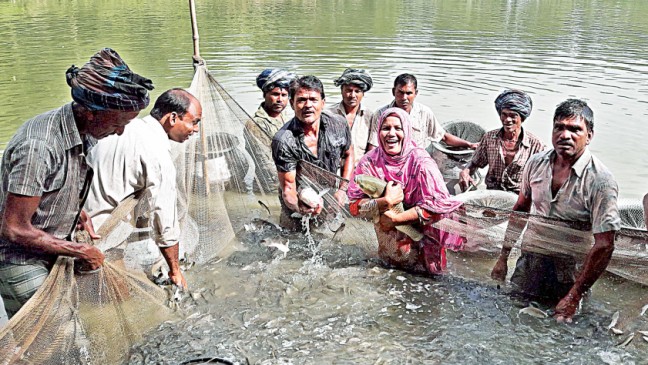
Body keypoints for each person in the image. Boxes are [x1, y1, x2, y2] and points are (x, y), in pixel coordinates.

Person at [0, 48, 153, 317]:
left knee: (65, 331)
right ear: (92, 112)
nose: (120, 132)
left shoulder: (84, 130)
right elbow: (14, 229)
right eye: (118, 123)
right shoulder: (39, 146)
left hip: (48, 246)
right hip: (19, 259)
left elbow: (52, 185)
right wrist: (80, 250)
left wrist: (74, 210)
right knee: (54, 340)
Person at [491, 99, 620, 323]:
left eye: (574, 129)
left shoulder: (601, 181)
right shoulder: (536, 163)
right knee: (513, 316)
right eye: (559, 127)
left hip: (570, 273)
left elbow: (605, 244)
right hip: (530, 261)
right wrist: (503, 257)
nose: (565, 135)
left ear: (589, 135)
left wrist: (575, 295)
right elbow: (521, 210)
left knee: (562, 328)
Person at [85, 89, 202, 289]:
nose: (196, 129)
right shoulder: (157, 154)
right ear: (173, 118)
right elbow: (165, 221)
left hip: (79, 226)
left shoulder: (123, 127)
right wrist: (175, 270)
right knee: (121, 294)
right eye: (194, 122)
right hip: (102, 236)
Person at [347, 108, 464, 274]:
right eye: (386, 128)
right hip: (390, 244)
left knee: (429, 282)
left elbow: (437, 207)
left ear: (407, 131)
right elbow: (354, 206)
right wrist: (384, 202)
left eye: (398, 128)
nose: (391, 134)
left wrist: (396, 219)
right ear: (378, 131)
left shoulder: (422, 163)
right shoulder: (369, 162)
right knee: (390, 278)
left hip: (425, 240)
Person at [271, 76, 353, 230]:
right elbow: (288, 189)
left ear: (323, 102)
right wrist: (299, 207)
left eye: (313, 100)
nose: (308, 105)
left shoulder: (339, 124)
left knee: (329, 238)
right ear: (292, 104)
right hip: (298, 200)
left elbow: (348, 154)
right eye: (301, 100)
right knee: (292, 242)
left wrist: (342, 190)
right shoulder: (284, 140)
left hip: (329, 193)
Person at [459, 89, 545, 194]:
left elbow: (541, 178)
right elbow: (474, 163)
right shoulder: (489, 138)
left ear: (522, 118)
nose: (507, 119)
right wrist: (465, 172)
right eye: (504, 114)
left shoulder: (535, 145)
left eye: (513, 115)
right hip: (492, 192)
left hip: (519, 196)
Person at [367, 74, 478, 152]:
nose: (404, 98)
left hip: (417, 160)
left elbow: (442, 136)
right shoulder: (381, 114)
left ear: (416, 93)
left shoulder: (424, 113)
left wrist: (468, 144)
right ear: (393, 92)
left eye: (409, 93)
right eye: (400, 92)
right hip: (389, 161)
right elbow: (373, 144)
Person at [328, 68, 375, 163]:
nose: (353, 95)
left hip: (360, 168)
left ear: (363, 94)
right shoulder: (328, 114)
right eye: (349, 90)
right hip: (333, 169)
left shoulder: (370, 117)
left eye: (357, 91)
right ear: (341, 91)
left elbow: (372, 151)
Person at [246, 68, 296, 147]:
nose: (280, 100)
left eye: (284, 95)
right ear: (264, 94)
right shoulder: (256, 124)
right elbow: (264, 157)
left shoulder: (284, 116)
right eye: (275, 94)